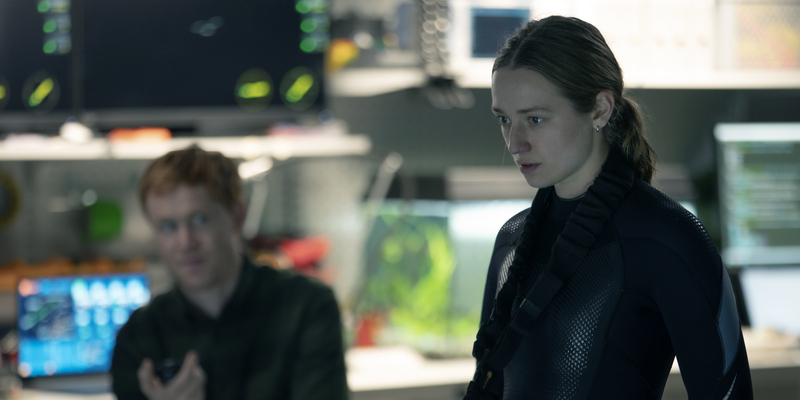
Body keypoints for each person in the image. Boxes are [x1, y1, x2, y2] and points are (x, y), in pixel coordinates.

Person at [465, 16, 753, 400]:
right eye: (505, 119)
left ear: (600, 109)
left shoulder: (666, 238)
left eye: (535, 119)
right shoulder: (511, 241)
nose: (515, 143)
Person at [111, 146, 348, 400]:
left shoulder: (305, 308)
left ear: (237, 216)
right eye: (168, 226)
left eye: (200, 220)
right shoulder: (139, 336)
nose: (185, 242)